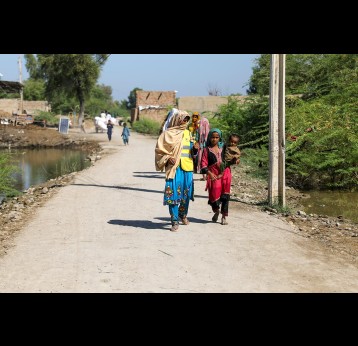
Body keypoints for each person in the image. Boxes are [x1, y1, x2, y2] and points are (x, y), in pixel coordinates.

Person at [155, 109, 199, 232]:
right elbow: (159, 151)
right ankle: (174, 220)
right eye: (183, 119)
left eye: (187, 119)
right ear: (176, 119)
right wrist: (168, 158)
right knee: (173, 193)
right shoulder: (167, 134)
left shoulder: (188, 134)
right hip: (174, 169)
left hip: (187, 168)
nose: (185, 121)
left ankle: (182, 214)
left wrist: (195, 149)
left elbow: (191, 152)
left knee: (186, 194)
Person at [200, 128, 236, 226]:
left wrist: (234, 160)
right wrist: (210, 174)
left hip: (225, 172)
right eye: (213, 137)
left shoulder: (224, 147)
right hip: (214, 174)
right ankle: (216, 211)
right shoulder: (206, 150)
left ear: (219, 138)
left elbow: (229, 158)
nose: (214, 139)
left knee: (225, 195)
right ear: (209, 137)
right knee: (214, 194)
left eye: (217, 137)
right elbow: (203, 163)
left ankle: (224, 216)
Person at [188, 112, 210, 180]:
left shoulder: (209, 133)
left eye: (196, 117)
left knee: (205, 160)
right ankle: (203, 175)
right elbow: (196, 137)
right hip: (197, 145)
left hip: (205, 147)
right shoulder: (193, 126)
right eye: (193, 117)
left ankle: (206, 175)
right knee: (199, 160)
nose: (194, 118)